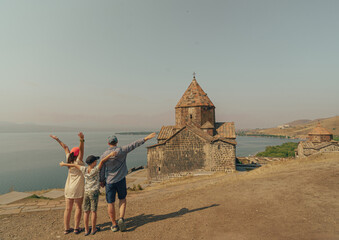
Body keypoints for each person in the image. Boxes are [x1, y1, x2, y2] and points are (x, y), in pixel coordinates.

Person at [99, 132, 156, 232]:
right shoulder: (122, 150)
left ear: (108, 143)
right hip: (121, 180)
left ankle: (114, 224)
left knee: (110, 203)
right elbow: (134, 144)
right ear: (117, 142)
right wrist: (146, 138)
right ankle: (121, 218)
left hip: (110, 182)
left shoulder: (104, 155)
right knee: (122, 199)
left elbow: (102, 170)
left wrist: (102, 181)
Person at [60, 151, 117, 236]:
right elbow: (102, 161)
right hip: (94, 192)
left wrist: (64, 164)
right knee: (93, 211)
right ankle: (93, 229)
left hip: (86, 191)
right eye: (95, 161)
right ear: (94, 162)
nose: (97, 162)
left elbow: (74, 165)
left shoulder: (84, 169)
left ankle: (87, 230)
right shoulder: (96, 170)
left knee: (86, 211)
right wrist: (110, 155)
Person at [50, 132, 85, 235]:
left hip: (68, 187)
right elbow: (81, 149)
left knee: (68, 209)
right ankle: (76, 228)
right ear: (78, 154)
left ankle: (66, 228)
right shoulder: (79, 161)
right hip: (77, 188)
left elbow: (65, 147)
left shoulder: (68, 159)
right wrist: (82, 140)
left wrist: (57, 139)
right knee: (78, 207)